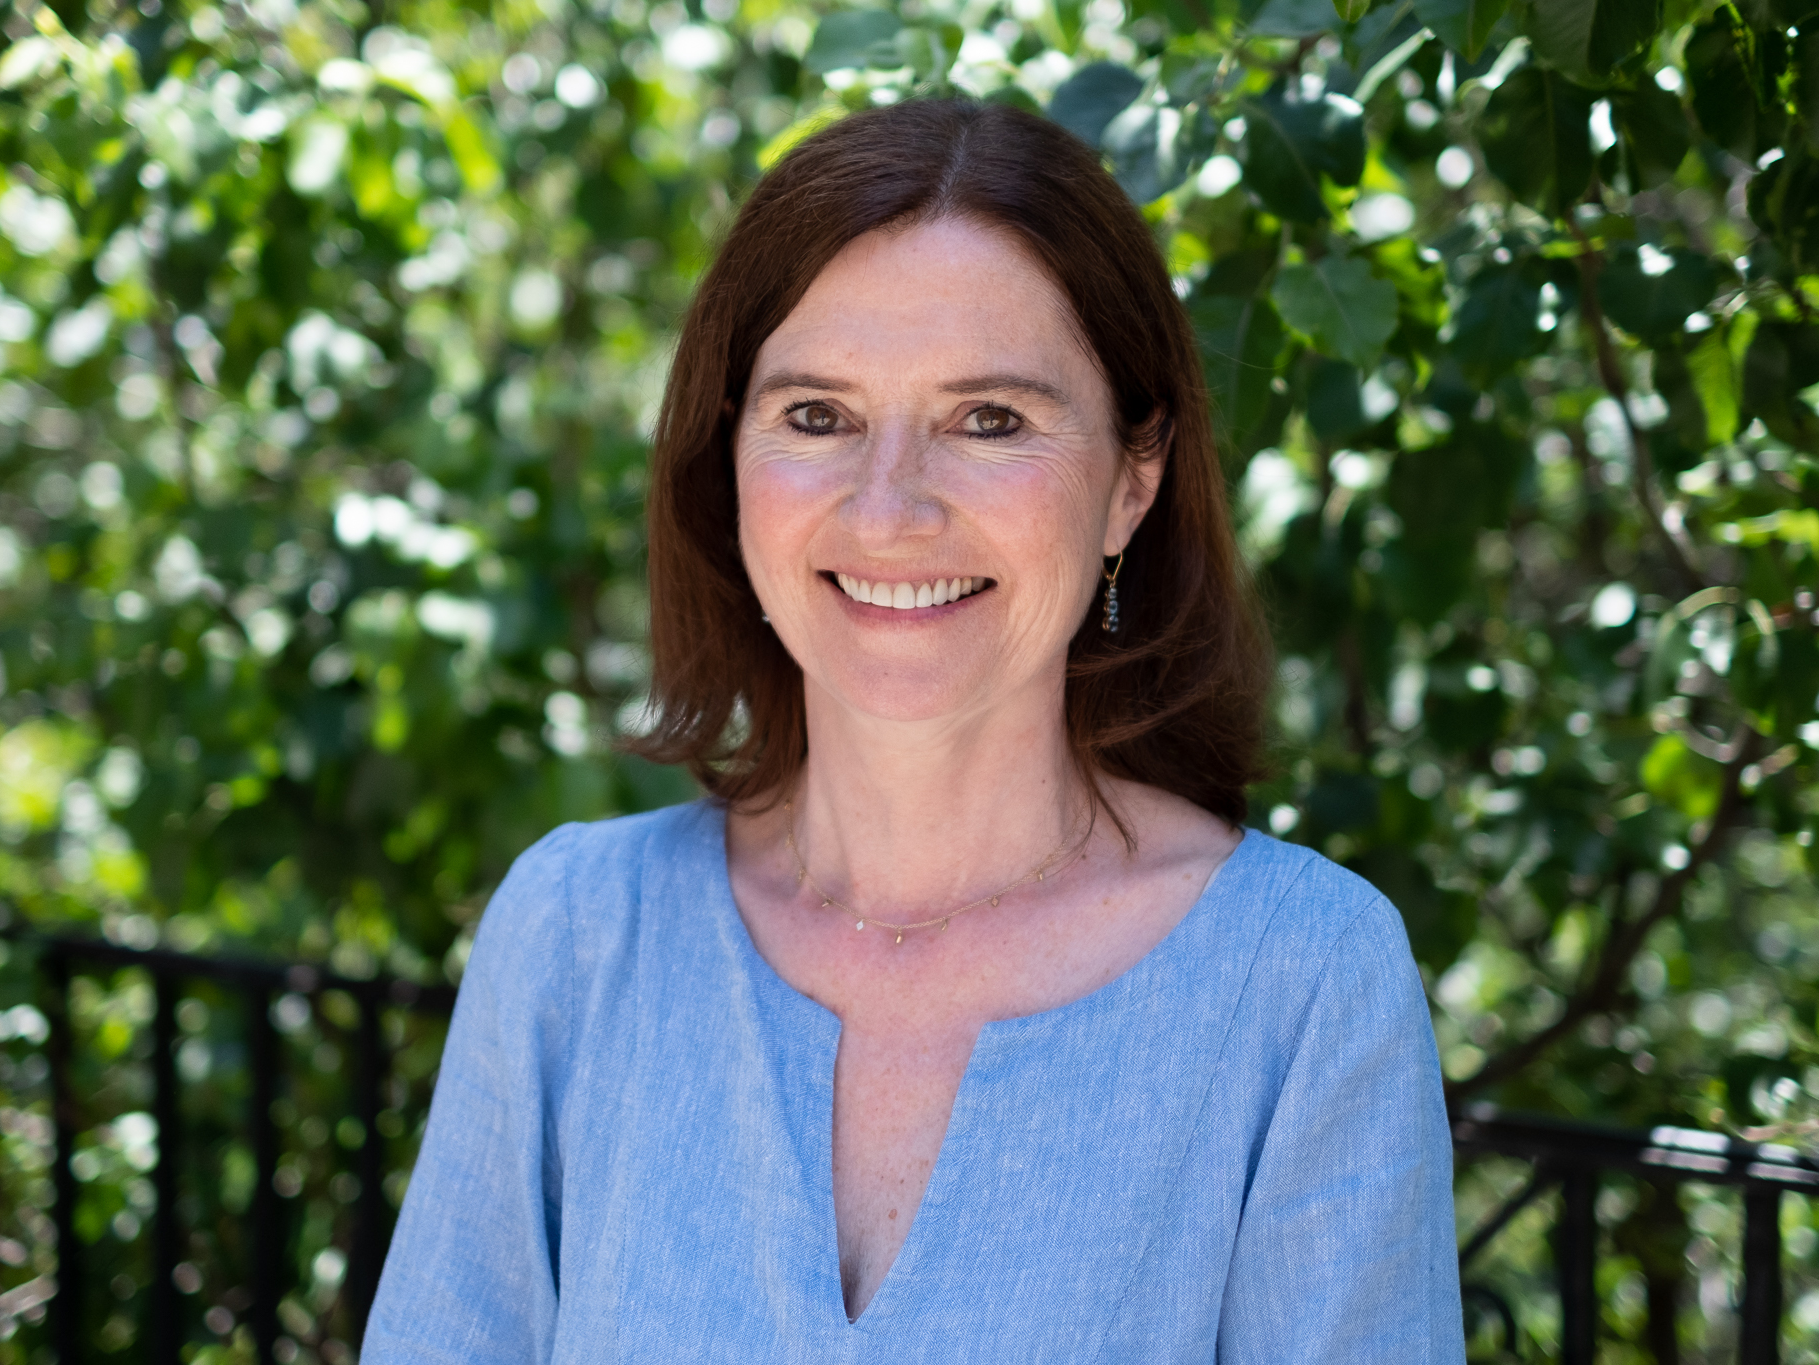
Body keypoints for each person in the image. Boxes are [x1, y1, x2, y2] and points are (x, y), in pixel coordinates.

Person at [363, 98, 1462, 1363]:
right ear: (727, 464)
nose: (887, 512)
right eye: (817, 417)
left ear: (1131, 482)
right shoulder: (571, 938)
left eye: (987, 420)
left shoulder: (1302, 984)